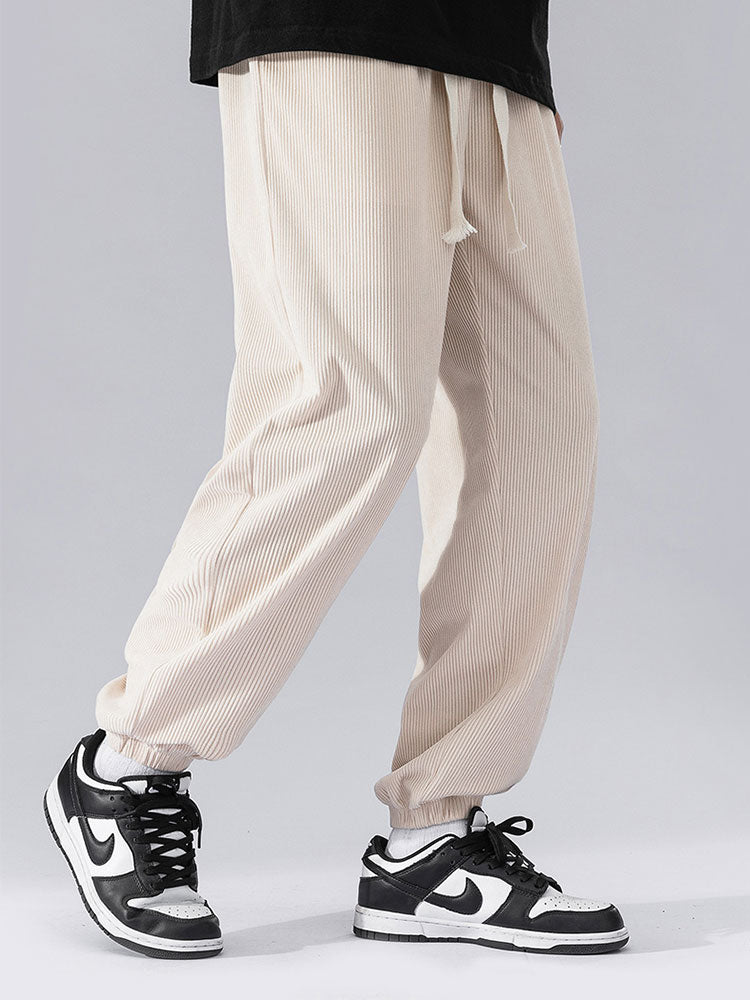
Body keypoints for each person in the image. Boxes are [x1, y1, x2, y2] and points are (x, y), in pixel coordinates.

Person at [43, 1, 628, 959]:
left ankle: (434, 838)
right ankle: (129, 761)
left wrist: (524, 59)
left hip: (494, 45)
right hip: (327, 20)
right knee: (349, 404)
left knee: (539, 434)